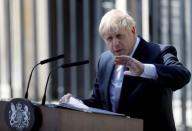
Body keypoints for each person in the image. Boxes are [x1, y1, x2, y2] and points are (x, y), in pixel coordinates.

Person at [59, 9, 191, 131]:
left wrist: (145, 69)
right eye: (109, 39)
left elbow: (182, 75)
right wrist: (75, 103)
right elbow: (98, 102)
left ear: (133, 30)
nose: (115, 43)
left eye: (119, 36)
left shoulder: (158, 52)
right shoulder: (104, 60)